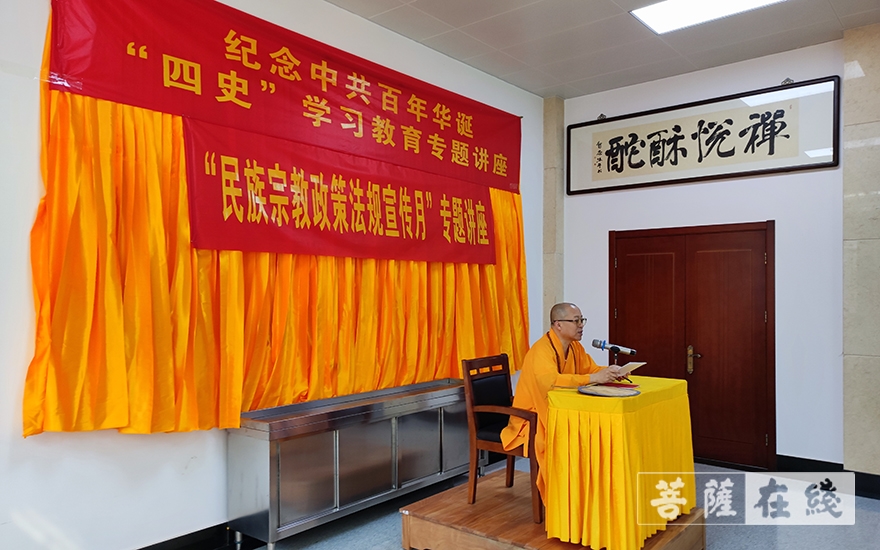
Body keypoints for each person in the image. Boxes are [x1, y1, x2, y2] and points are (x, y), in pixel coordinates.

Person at [500, 302, 620, 502]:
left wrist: (610, 372)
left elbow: (589, 369)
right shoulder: (541, 350)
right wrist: (593, 378)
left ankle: (586, 492)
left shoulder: (574, 347)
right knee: (566, 440)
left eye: (582, 320)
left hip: (560, 412)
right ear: (558, 324)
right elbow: (551, 383)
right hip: (532, 419)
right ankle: (562, 499)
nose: (581, 325)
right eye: (576, 321)